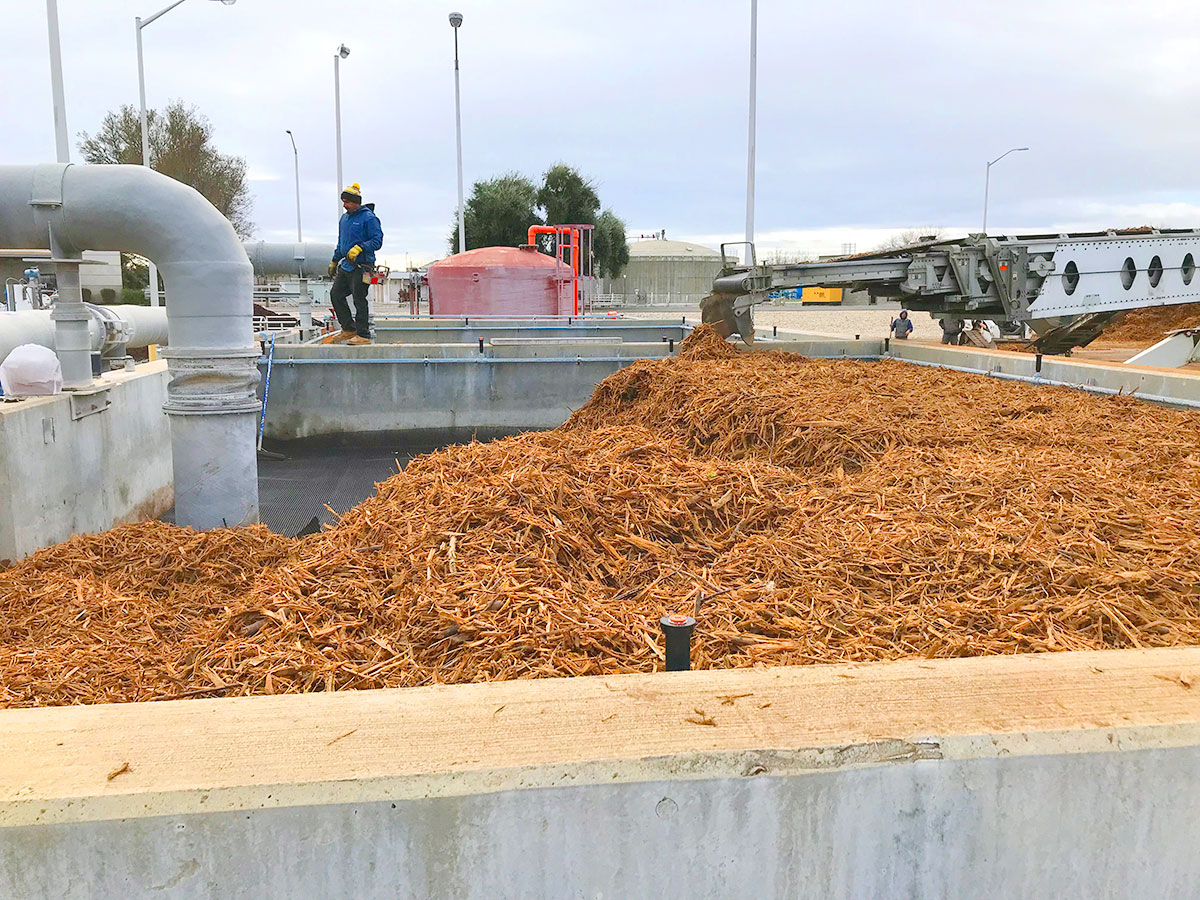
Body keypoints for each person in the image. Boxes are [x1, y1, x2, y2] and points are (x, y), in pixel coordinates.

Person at [322, 182, 383, 345]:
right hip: (346, 265)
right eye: (343, 201)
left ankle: (363, 334)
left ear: (356, 202)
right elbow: (342, 243)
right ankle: (348, 328)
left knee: (359, 298)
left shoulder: (369, 218)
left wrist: (361, 247)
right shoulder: (345, 219)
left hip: (363, 266)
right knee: (336, 294)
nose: (344, 205)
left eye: (347, 202)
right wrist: (335, 260)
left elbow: (377, 241)